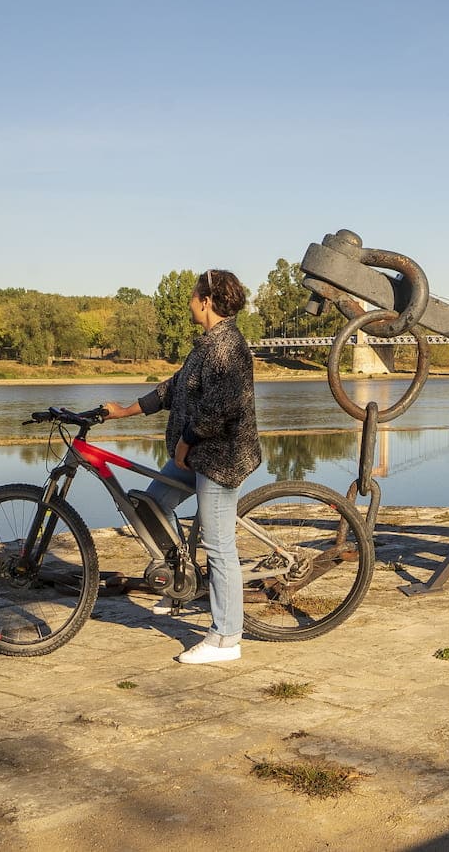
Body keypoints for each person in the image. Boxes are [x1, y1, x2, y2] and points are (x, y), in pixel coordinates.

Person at [103, 269, 261, 665]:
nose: (188, 300)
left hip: (219, 457)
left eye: (192, 295)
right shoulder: (207, 344)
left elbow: (219, 410)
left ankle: (226, 638)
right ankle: (180, 584)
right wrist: (124, 412)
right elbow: (171, 390)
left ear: (205, 301)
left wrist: (186, 442)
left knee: (219, 546)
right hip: (194, 455)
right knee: (152, 506)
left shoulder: (228, 347)